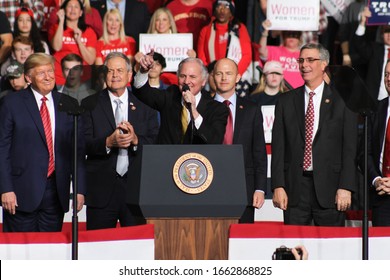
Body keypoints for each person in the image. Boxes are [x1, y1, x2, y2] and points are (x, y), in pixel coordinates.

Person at [271, 43, 358, 226]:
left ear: (324, 64)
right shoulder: (285, 101)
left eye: (311, 60)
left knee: (329, 250)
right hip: (294, 189)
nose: (304, 65)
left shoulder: (343, 101)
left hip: (331, 189)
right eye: (301, 60)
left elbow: (350, 149)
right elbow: (279, 148)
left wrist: (345, 186)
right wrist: (278, 185)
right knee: (293, 249)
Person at [0, 53, 86, 232]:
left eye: (50, 71)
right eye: (41, 73)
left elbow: (77, 151)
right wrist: (5, 189)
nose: (48, 77)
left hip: (56, 193)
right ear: (28, 78)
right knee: (20, 256)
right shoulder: (11, 103)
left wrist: (79, 189)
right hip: (19, 193)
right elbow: (2, 149)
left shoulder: (68, 104)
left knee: (50, 255)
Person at [82, 52, 158, 230]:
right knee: (98, 249)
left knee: (136, 250)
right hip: (101, 192)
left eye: (119, 70)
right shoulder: (89, 104)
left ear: (130, 75)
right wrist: (108, 142)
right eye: (110, 71)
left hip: (136, 192)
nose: (115, 75)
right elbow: (82, 143)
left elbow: (156, 143)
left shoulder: (146, 104)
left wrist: (136, 140)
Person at [213, 58, 267, 223]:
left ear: (237, 77)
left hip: (245, 188)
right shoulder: (202, 107)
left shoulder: (252, 109)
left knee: (242, 239)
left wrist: (259, 188)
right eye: (219, 73)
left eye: (228, 73)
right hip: (210, 186)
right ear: (212, 77)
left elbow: (258, 151)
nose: (224, 78)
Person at [134, 53, 229, 144]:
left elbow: (215, 140)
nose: (187, 81)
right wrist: (143, 71)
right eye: (183, 76)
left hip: (197, 160)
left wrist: (194, 112)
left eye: (192, 77)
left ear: (203, 81)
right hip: (167, 159)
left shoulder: (217, 108)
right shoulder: (170, 96)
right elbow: (142, 92)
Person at [197, 0, 253, 97]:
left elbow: (246, 55)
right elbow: (202, 57)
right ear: (214, 10)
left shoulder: (239, 28)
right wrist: (212, 76)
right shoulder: (206, 30)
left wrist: (234, 75)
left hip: (236, 79)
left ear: (231, 12)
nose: (222, 10)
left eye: (226, 7)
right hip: (213, 79)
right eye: (219, 6)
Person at [48, 0, 97, 85]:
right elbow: (56, 47)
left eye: (76, 7)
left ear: (81, 12)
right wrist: (61, 21)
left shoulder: (89, 31)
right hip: (60, 78)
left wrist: (79, 41)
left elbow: (90, 60)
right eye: (70, 6)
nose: (73, 9)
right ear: (64, 10)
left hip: (82, 80)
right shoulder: (55, 28)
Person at [365, 59, 390, 226]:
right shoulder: (376, 109)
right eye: (386, 74)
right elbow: (365, 152)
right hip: (381, 196)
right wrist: (376, 180)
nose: (388, 79)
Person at [259, 19, 304, 89]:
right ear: (283, 35)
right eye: (288, 34)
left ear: (300, 38)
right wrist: (265, 32)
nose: (291, 37)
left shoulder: (305, 54)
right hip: (278, 92)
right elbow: (262, 51)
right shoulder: (274, 50)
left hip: (299, 93)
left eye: (295, 35)